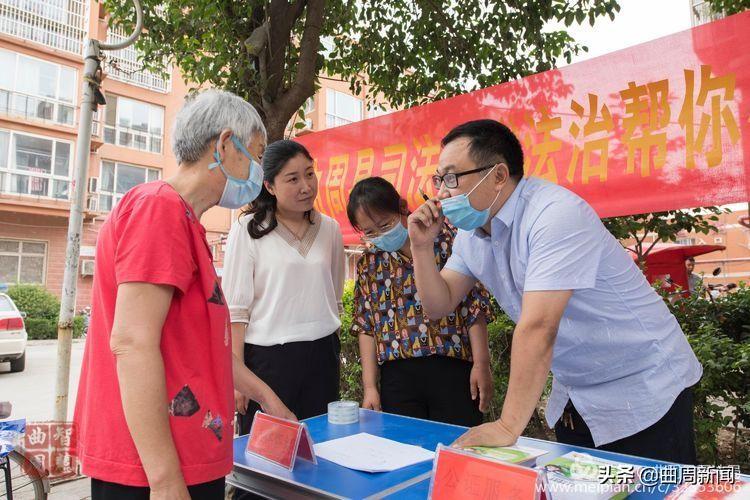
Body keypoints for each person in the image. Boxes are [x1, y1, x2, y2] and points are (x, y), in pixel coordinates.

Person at [408, 119, 703, 463]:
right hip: (578, 393)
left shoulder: (554, 214)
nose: (442, 192)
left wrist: (507, 426)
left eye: (453, 178)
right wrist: (420, 248)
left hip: (644, 387)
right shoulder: (472, 236)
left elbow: (539, 326)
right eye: (439, 179)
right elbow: (438, 304)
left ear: (499, 175)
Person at [74, 90, 295, 500]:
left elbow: (197, 350)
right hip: (152, 469)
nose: (259, 169)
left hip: (186, 455)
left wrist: (267, 397)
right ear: (226, 145)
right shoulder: (158, 207)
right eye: (257, 153)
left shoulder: (185, 222)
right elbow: (132, 342)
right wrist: (164, 480)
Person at [347, 177, 495, 427]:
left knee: (457, 449)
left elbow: (474, 307)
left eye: (385, 224)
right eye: (370, 232)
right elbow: (366, 326)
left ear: (403, 207)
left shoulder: (448, 239)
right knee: (406, 454)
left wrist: (482, 364)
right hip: (398, 377)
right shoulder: (370, 262)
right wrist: (370, 387)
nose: (380, 235)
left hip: (452, 370)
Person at [223, 140, 345, 437]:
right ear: (270, 185)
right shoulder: (248, 229)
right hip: (267, 364)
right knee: (269, 457)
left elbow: (335, 295)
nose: (306, 186)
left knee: (321, 448)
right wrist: (239, 381)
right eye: (293, 179)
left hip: (322, 357)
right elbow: (236, 313)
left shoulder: (329, 228)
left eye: (309, 174)